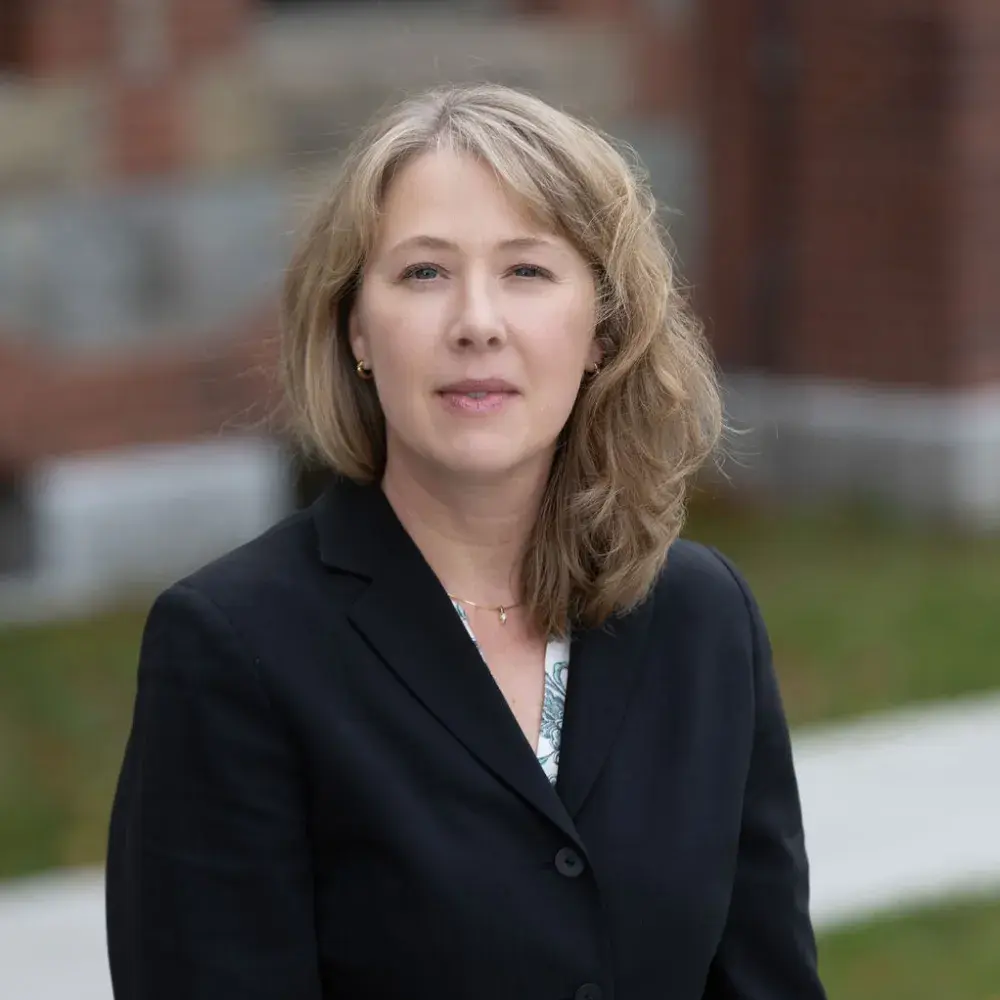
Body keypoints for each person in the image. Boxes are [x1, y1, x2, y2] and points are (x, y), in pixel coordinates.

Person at [105, 83, 827, 1000]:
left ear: (602, 327)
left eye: (527, 271)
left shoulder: (702, 617)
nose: (476, 322)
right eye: (424, 273)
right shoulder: (233, 648)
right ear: (357, 327)